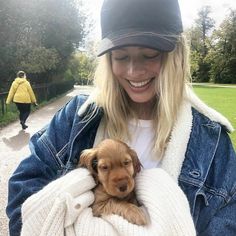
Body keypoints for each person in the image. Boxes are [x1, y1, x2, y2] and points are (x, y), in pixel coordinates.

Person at [6, 0, 236, 235]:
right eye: (121, 57)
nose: (134, 71)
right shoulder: (76, 118)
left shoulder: (212, 140)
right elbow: (23, 190)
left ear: (176, 56)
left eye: (149, 54)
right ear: (108, 60)